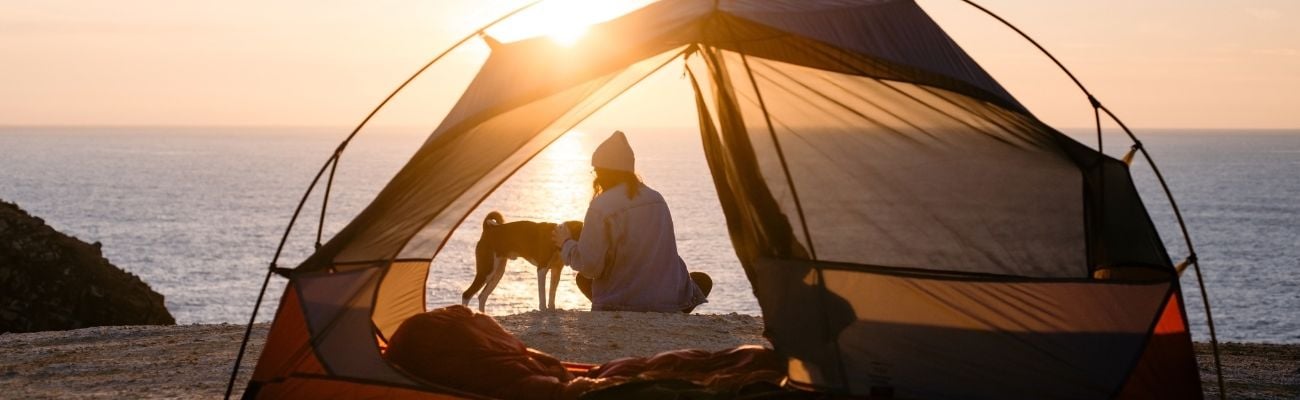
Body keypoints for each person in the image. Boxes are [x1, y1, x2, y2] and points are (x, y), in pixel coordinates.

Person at [552, 131, 710, 313]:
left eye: (596, 171)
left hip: (622, 301)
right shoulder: (657, 198)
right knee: (701, 280)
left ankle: (621, 308)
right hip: (666, 299)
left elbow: (590, 267)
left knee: (582, 278)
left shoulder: (601, 206)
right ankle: (670, 305)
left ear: (602, 173)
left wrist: (566, 244)